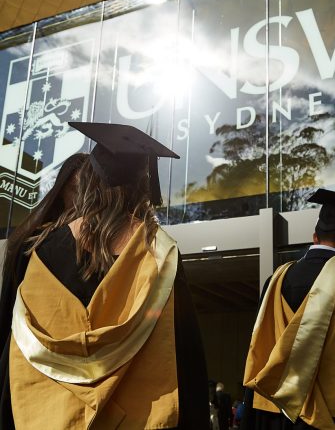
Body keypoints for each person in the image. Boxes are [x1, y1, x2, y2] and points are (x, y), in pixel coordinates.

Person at [8, 122, 210, 429]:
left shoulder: (42, 250)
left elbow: (19, 348)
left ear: (89, 181)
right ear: (143, 186)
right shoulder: (158, 254)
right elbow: (185, 354)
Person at [0, 152, 87, 429]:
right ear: (62, 192)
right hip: (29, 348)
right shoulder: (40, 240)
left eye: (89, 191)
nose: (82, 199)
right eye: (76, 189)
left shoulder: (91, 240)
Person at [242, 188, 335, 430]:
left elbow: (257, 348)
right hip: (325, 414)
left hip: (273, 410)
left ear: (315, 236)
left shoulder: (277, 278)